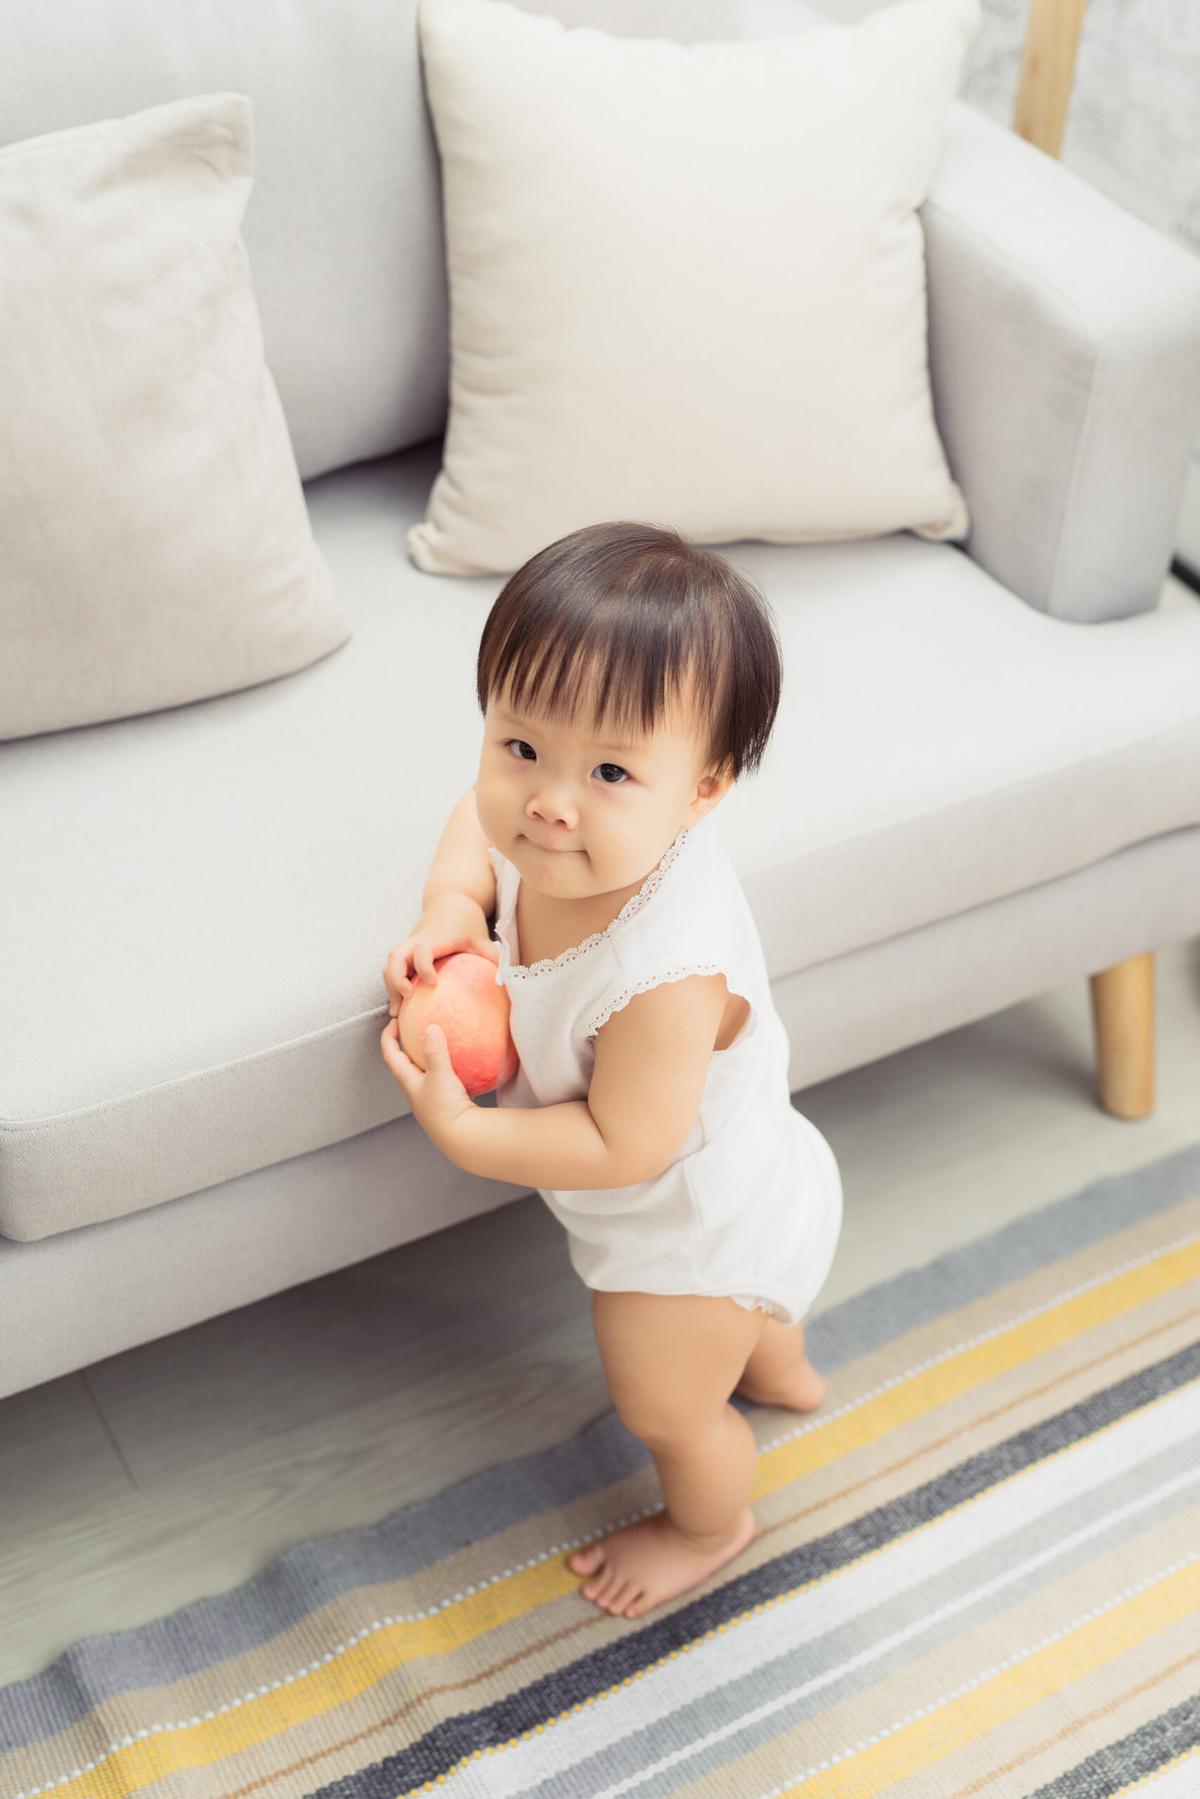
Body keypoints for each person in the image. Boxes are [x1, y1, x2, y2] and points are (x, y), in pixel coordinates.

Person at [380, 519, 843, 1621]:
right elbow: (470, 821)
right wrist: (455, 910)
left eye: (610, 770)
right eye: (521, 745)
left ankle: (708, 1520)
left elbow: (620, 1141)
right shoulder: (554, 823)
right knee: (754, 1319)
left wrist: (465, 1132)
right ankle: (781, 1369)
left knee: (668, 1400)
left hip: (683, 1225)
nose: (548, 799)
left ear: (704, 789)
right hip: (750, 1166)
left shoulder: (665, 972)